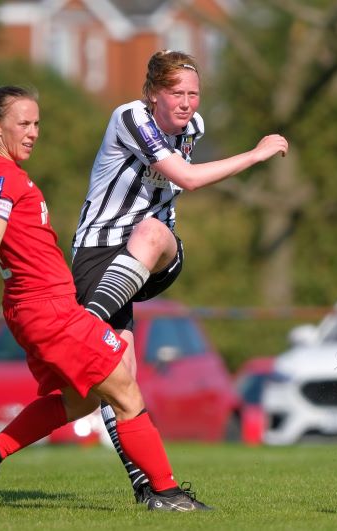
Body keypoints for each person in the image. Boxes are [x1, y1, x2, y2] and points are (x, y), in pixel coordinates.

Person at [0, 85, 210, 511]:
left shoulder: (5, 173)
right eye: (24, 124)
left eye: (37, 123)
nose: (33, 132)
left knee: (81, 399)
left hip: (42, 306)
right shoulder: (0, 176)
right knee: (125, 392)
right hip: (46, 309)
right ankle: (165, 493)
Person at [71, 50, 289, 499]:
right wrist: (256, 154)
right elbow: (185, 178)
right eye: (176, 93)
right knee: (117, 384)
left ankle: (84, 327)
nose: (187, 102)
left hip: (151, 253)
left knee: (153, 229)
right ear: (152, 94)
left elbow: (182, 181)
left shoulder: (194, 128)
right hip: (97, 255)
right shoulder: (130, 117)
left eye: (193, 93)